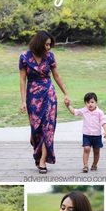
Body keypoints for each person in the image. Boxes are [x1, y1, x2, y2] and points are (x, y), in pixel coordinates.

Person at [19, 30, 69, 174]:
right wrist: (23, 101)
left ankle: (42, 162)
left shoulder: (50, 57)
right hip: (33, 97)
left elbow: (57, 76)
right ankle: (37, 151)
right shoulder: (24, 57)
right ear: (39, 43)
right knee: (36, 130)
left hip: (49, 94)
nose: (48, 47)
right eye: (46, 44)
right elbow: (22, 80)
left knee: (48, 128)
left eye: (50, 45)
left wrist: (66, 93)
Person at [66, 92, 106, 172]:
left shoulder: (99, 112)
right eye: (88, 102)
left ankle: (94, 164)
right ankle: (85, 165)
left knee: (96, 151)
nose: (90, 104)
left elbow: (104, 122)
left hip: (97, 135)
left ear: (96, 102)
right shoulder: (84, 110)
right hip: (86, 135)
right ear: (85, 103)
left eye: (92, 102)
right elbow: (74, 112)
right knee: (86, 148)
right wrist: (68, 106)